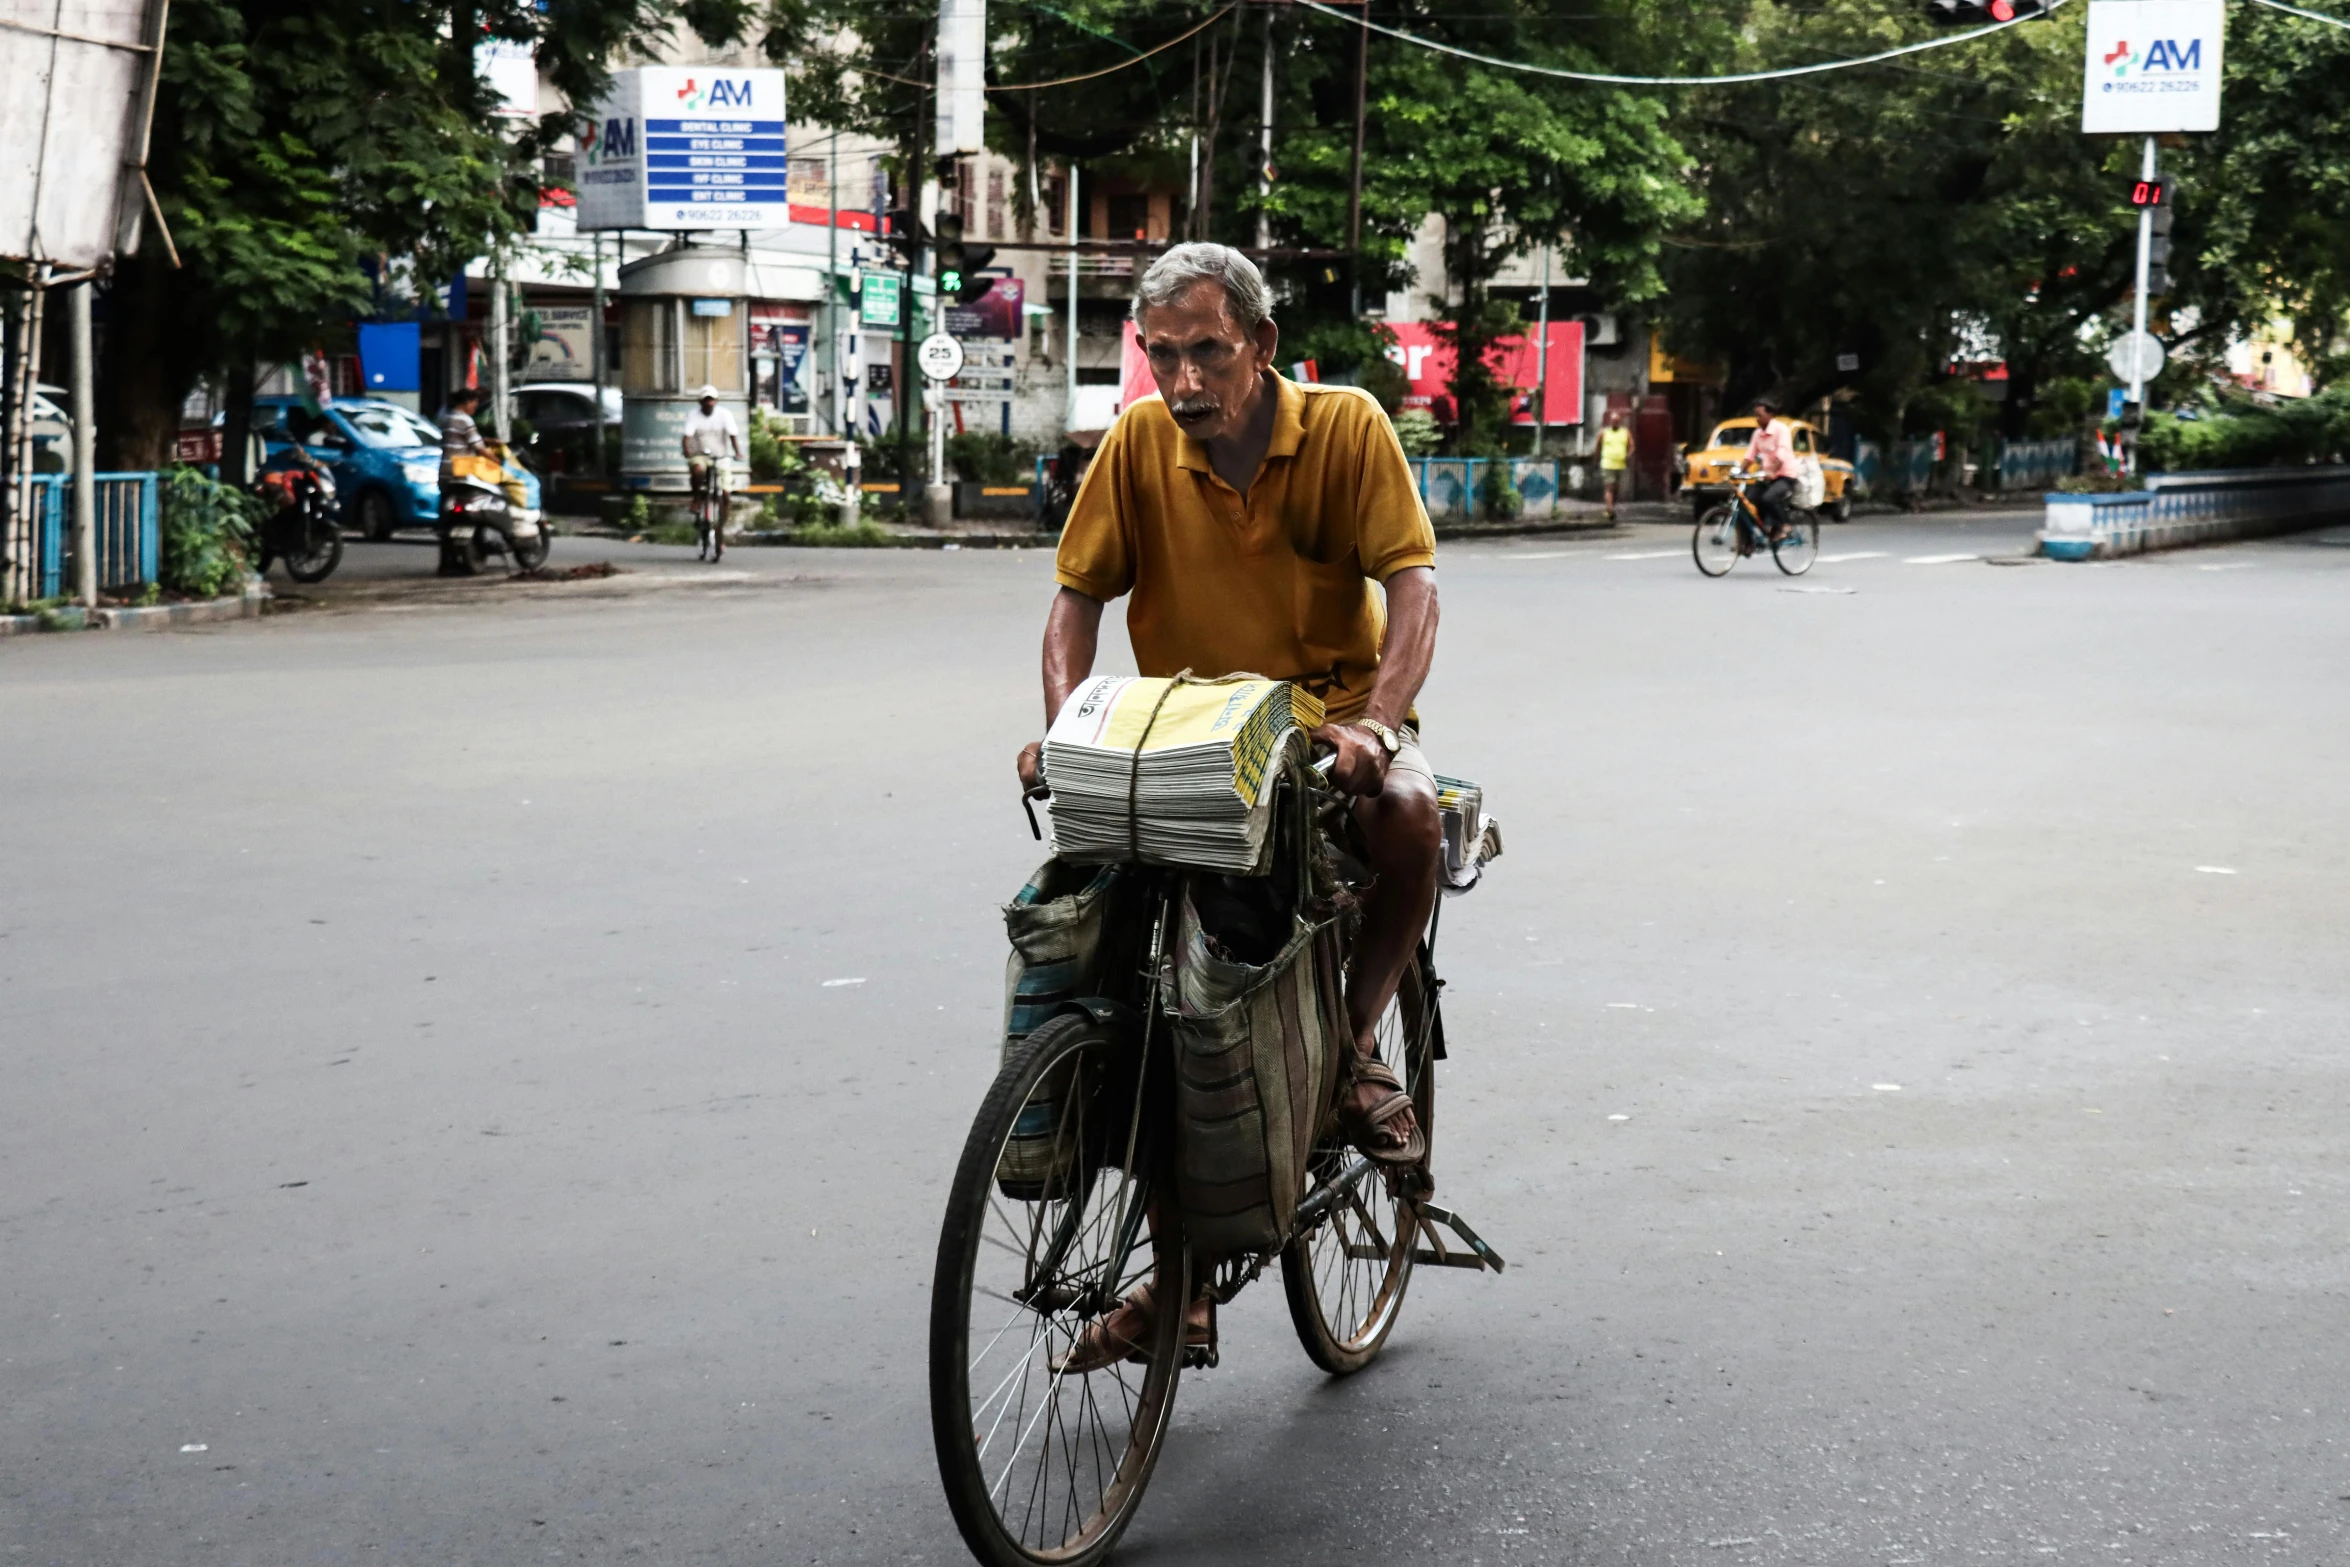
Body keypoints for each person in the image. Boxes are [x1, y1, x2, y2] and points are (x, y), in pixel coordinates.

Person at [1016, 242, 1442, 1370]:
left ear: (1258, 342)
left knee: (1410, 818)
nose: (1185, 379)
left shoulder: (1346, 427)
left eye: (1207, 350)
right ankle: (1185, 1282)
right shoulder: (1138, 445)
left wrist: (1379, 724)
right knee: (1161, 998)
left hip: (1323, 735)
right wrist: (1067, 730)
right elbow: (1073, 606)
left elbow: (1413, 586)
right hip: (1185, 743)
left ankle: (1353, 1044)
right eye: (1163, 356)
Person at [681, 386, 744, 562]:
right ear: (700, 402)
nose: (709, 403)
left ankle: (720, 532)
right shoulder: (694, 416)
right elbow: (686, 436)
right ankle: (697, 498)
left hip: (721, 456)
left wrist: (737, 452)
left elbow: (732, 435)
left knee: (725, 495)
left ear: (716, 401)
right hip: (701, 454)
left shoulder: (724, 415)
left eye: (712, 400)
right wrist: (687, 450)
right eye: (706, 400)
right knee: (698, 471)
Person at [1746, 398, 1796, 540]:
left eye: (1759, 416)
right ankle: (1751, 539)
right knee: (1748, 501)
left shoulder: (1782, 430)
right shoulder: (1757, 434)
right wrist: (1739, 470)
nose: (1757, 419)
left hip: (1785, 475)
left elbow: (1782, 454)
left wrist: (1772, 471)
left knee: (1769, 498)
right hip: (1766, 476)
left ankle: (1785, 525)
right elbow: (1750, 455)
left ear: (1770, 415)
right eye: (1755, 415)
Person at [1597, 408, 1631, 519]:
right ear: (1610, 421)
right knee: (1609, 488)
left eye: (1616, 420)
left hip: (1620, 464)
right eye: (1613, 420)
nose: (1614, 422)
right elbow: (1598, 446)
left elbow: (1632, 446)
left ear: (1619, 421)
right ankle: (1610, 510)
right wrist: (1596, 458)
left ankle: (1610, 507)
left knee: (1615, 489)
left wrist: (1628, 455)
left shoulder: (1625, 432)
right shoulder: (1604, 432)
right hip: (1607, 463)